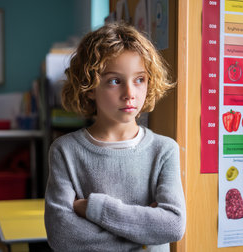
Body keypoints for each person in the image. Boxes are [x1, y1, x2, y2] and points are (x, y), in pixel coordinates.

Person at [44, 22, 186, 252]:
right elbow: (61, 235)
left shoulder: (164, 150)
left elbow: (172, 226)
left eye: (140, 79)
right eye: (114, 81)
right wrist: (144, 233)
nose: (130, 94)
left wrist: (95, 209)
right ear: (89, 86)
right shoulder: (65, 151)